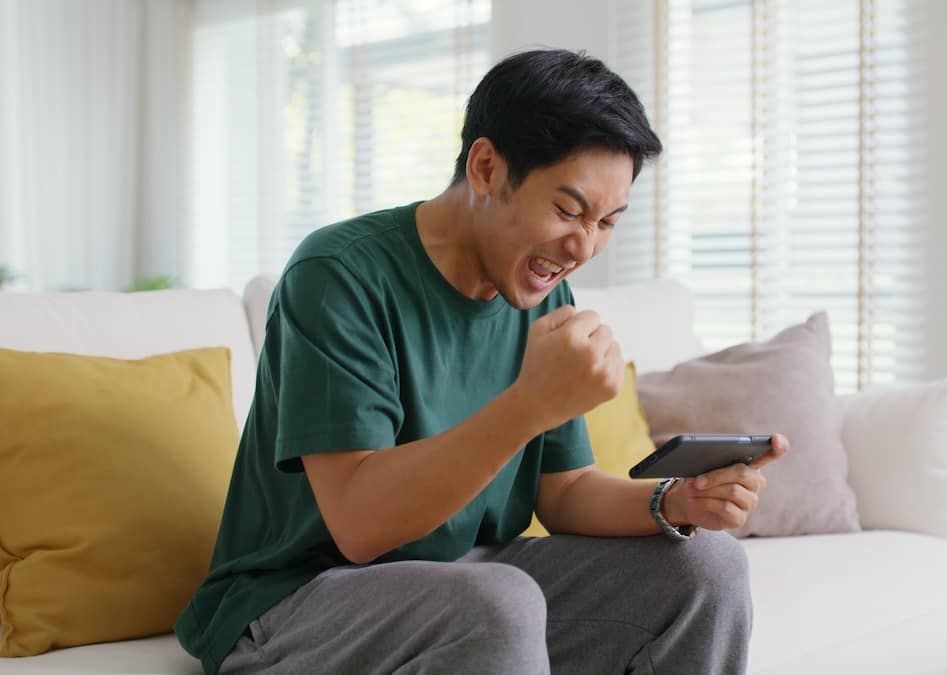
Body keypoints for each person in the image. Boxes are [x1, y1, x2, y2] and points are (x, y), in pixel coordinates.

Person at [175, 48, 788, 675]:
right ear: (487, 167)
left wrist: (676, 501)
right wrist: (529, 404)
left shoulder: (543, 290)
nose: (583, 247)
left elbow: (566, 490)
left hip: (457, 585)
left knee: (704, 565)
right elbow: (360, 525)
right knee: (499, 600)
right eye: (568, 210)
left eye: (607, 221)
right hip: (295, 601)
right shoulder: (338, 275)